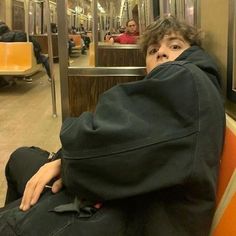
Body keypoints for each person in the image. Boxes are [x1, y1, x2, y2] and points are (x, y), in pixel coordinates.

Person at [0, 16, 225, 236]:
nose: (162, 53)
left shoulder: (185, 79)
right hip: (120, 193)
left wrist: (66, 160)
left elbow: (98, 142)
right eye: (153, 50)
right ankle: (26, 207)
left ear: (193, 51)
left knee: (11, 220)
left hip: (137, 216)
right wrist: (63, 159)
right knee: (20, 159)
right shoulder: (168, 87)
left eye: (175, 45)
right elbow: (116, 142)